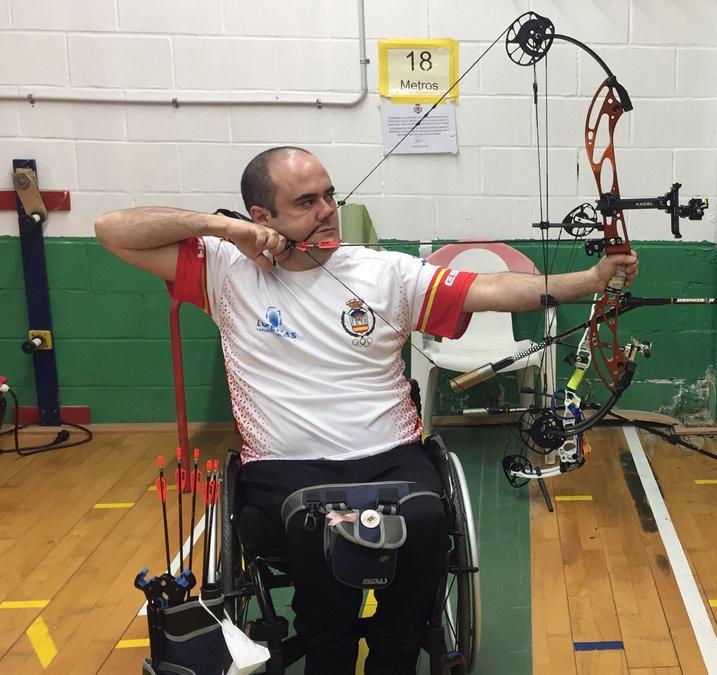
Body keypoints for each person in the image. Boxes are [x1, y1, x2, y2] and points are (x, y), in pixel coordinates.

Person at [94, 146, 638, 674]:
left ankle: (393, 655)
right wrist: (225, 229)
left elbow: (493, 288)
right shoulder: (222, 268)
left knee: (426, 518)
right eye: (306, 202)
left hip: (390, 457)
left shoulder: (383, 272)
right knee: (310, 531)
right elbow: (111, 229)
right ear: (263, 217)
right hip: (284, 469)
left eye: (329, 195)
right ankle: (328, 652)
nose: (328, 211)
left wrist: (587, 282)